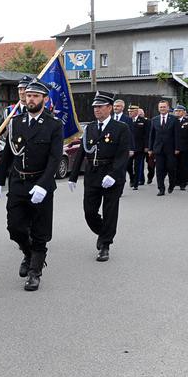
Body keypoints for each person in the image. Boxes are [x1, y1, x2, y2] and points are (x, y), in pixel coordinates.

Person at [0, 79, 63, 291]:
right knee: (15, 228)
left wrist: (43, 185)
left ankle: (35, 271)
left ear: (44, 99)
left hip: (40, 184)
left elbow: (54, 158)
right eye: (28, 95)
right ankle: (28, 252)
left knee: (40, 231)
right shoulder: (16, 122)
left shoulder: (54, 125)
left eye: (35, 96)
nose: (30, 99)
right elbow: (7, 153)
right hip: (18, 183)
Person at [68, 91, 132, 261]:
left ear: (110, 108)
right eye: (95, 107)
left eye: (100, 106)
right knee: (89, 211)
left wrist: (113, 174)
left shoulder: (121, 128)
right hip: (92, 174)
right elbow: (82, 151)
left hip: (112, 174)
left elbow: (122, 154)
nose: (96, 109)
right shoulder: (90, 127)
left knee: (110, 211)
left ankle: (105, 244)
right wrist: (73, 176)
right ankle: (104, 232)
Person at [146, 99, 178, 195]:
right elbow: (152, 135)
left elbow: (177, 135)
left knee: (171, 168)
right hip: (158, 149)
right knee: (159, 169)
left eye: (164, 107)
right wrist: (150, 148)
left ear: (168, 108)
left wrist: (177, 148)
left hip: (171, 149)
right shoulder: (154, 120)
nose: (162, 108)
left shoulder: (174, 119)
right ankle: (161, 188)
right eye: (161, 107)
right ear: (158, 108)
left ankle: (172, 184)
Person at [173, 104, 188, 191]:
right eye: (176, 111)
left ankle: (184, 182)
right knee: (175, 165)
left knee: (185, 166)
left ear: (184, 112)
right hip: (175, 147)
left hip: (186, 148)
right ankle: (176, 181)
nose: (177, 112)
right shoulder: (172, 121)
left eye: (179, 111)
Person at [126, 104, 147, 190]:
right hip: (129, 147)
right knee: (128, 165)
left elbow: (146, 135)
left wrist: (146, 146)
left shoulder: (143, 121)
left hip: (139, 147)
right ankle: (132, 177)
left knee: (137, 166)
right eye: (129, 111)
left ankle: (136, 184)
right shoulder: (127, 121)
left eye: (132, 111)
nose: (130, 113)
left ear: (136, 111)